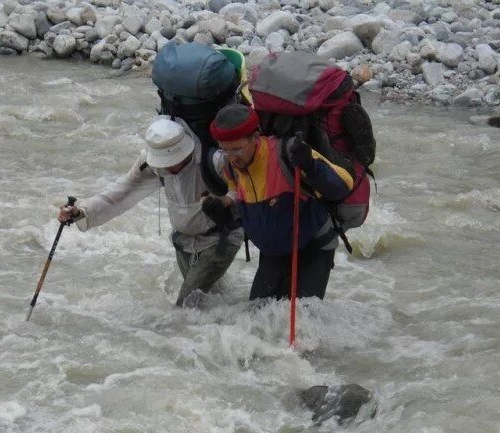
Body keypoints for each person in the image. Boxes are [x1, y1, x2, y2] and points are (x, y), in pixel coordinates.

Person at [57, 118, 243, 307]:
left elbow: (246, 187)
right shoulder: (152, 164)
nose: (167, 168)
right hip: (184, 243)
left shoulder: (215, 160)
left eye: (172, 162)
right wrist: (80, 211)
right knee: (209, 303)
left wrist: (225, 201)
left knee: (186, 307)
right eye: (164, 163)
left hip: (219, 240)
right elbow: (121, 191)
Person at [205, 104, 355, 301]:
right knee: (259, 319)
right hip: (274, 251)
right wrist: (223, 210)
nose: (232, 157)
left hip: (312, 247)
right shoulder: (230, 166)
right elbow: (240, 199)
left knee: (305, 319)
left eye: (237, 149)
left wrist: (310, 165)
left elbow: (344, 185)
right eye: (225, 150)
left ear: (256, 137)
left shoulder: (288, 153)